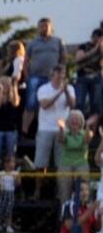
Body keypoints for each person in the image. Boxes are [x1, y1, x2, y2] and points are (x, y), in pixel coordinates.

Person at [32, 65, 75, 200]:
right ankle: (37, 191)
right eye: (58, 74)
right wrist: (59, 92)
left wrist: (66, 91)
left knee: (61, 164)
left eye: (63, 74)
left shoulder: (70, 88)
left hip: (62, 130)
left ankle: (60, 192)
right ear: (53, 75)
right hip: (45, 129)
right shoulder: (43, 89)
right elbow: (45, 105)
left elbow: (72, 105)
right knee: (40, 164)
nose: (61, 77)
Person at [23, 18, 66, 134]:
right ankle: (24, 130)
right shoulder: (32, 43)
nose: (44, 28)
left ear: (51, 27)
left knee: (51, 103)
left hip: (52, 78)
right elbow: (26, 61)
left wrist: (62, 74)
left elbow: (63, 59)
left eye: (46, 26)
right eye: (41, 26)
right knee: (31, 104)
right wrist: (27, 77)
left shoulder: (58, 41)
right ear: (38, 28)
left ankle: (51, 127)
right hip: (35, 77)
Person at [56, 110, 94, 204]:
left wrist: (88, 126)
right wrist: (61, 128)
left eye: (77, 119)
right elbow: (61, 139)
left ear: (81, 122)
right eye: (72, 119)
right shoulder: (66, 132)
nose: (75, 121)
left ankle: (82, 212)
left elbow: (87, 139)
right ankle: (65, 214)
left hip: (81, 163)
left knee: (82, 189)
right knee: (64, 190)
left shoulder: (85, 132)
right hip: (66, 163)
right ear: (68, 121)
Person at [0, 76, 21, 170]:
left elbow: (16, 103)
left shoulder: (13, 96)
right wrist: (0, 91)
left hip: (11, 129)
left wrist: (14, 87)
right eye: (2, 84)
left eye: (6, 84)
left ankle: (11, 177)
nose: (5, 86)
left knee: (11, 156)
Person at [0, 155, 19, 233]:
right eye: (8, 162)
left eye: (13, 162)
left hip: (10, 193)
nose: (11, 164)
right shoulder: (1, 173)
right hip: (1, 193)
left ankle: (8, 226)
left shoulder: (16, 173)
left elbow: (18, 184)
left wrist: (16, 179)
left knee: (9, 210)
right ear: (5, 164)